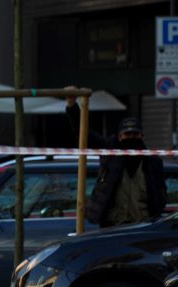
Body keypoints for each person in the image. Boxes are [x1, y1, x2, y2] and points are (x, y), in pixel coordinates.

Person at [66, 93, 165, 227]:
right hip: (112, 226)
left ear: (142, 136)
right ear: (119, 137)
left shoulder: (152, 161)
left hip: (143, 226)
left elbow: (160, 194)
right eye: (127, 134)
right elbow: (84, 134)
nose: (131, 137)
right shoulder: (110, 154)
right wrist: (72, 106)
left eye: (135, 134)